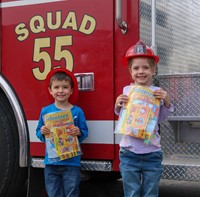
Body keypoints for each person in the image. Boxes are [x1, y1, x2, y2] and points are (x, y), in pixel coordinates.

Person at [114, 41, 174, 197]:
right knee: (131, 192)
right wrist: (118, 105)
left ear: (153, 70)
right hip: (128, 153)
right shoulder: (127, 91)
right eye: (136, 68)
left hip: (152, 153)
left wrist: (166, 101)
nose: (141, 71)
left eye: (146, 67)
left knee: (150, 192)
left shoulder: (158, 92)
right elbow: (123, 117)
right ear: (130, 71)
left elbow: (159, 119)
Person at [36, 68, 88, 197]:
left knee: (72, 193)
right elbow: (38, 132)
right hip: (51, 163)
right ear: (50, 90)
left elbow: (85, 132)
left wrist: (79, 133)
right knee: (53, 193)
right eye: (56, 87)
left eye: (65, 87)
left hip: (72, 163)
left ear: (71, 90)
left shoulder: (77, 112)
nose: (60, 91)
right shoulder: (46, 111)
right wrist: (42, 132)